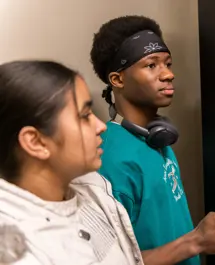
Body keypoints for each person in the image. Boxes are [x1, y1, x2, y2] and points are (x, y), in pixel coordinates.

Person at [90, 15, 215, 265]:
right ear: (117, 80)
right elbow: (111, 261)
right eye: (151, 65)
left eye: (168, 64)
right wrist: (196, 241)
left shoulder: (157, 137)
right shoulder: (110, 160)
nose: (168, 74)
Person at [0, 60, 144, 265]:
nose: (101, 126)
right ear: (36, 141)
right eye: (85, 116)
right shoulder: (17, 250)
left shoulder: (93, 191)